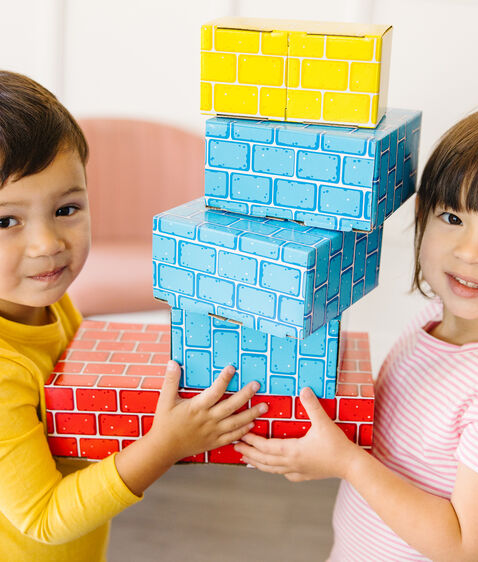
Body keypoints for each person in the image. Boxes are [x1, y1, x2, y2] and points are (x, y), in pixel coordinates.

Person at [235, 101, 478, 561]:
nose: (471, 252)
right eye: (453, 218)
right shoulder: (438, 318)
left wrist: (347, 462)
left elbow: (471, 549)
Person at [0, 69, 268, 561]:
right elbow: (42, 517)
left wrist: (166, 436)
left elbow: (75, 417)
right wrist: (162, 448)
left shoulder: (45, 301)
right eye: (6, 220)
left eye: (66, 209)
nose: (48, 245)